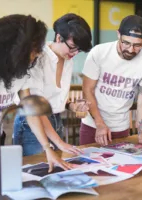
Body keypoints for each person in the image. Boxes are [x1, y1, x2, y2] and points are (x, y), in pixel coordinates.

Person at [0, 14, 71, 171]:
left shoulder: (21, 72)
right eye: (34, 49)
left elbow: (31, 113)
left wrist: (48, 148)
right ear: (16, 48)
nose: (38, 54)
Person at [80, 15, 142, 147]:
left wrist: (141, 133)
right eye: (126, 43)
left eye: (138, 45)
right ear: (118, 34)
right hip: (92, 126)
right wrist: (99, 123)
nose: (131, 50)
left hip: (121, 127)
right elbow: (88, 90)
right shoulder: (99, 52)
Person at [13, 13, 92, 156]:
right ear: (58, 38)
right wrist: (59, 142)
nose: (75, 53)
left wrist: (72, 105)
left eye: (79, 50)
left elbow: (53, 96)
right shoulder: (38, 57)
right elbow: (35, 107)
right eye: (73, 47)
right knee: (35, 172)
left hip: (55, 120)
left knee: (54, 171)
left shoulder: (68, 60)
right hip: (32, 123)